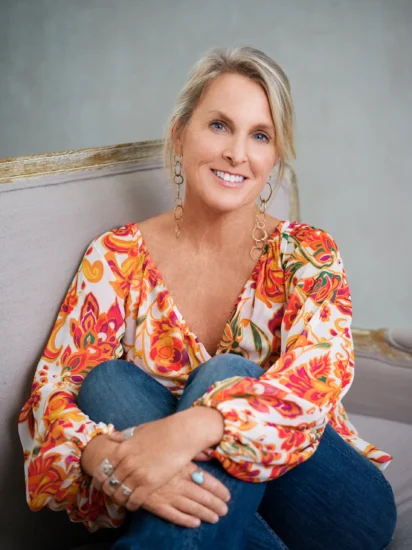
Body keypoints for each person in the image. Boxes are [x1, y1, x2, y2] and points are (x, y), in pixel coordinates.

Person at [18, 45, 397, 550]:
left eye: (259, 135)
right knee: (106, 383)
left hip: (336, 506)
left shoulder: (307, 252)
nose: (237, 153)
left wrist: (194, 428)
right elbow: (51, 396)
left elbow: (317, 376)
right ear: (180, 134)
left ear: (275, 156)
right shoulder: (115, 257)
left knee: (229, 372)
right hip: (220, 513)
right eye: (219, 125)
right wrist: (104, 458)